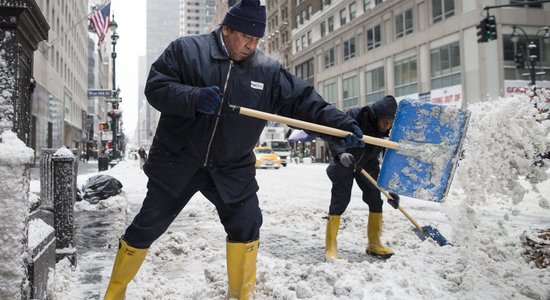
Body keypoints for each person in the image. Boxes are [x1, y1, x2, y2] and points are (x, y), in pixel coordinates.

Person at [103, 1, 365, 299]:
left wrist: (341, 126)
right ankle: (115, 292)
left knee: (247, 222)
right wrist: (194, 98)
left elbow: (305, 103)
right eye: (245, 38)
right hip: (179, 161)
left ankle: (241, 295)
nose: (251, 46)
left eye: (256, 40)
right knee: (147, 226)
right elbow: (157, 87)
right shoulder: (187, 51)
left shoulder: (267, 72)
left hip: (231, 165)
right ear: (226, 29)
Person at [324, 95, 400, 261]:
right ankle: (330, 246)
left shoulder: (389, 132)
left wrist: (392, 189)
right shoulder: (356, 115)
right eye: (385, 121)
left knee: (375, 200)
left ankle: (374, 243)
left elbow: (390, 160)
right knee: (340, 201)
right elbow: (335, 134)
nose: (388, 126)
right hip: (345, 161)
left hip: (368, 164)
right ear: (375, 117)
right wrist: (341, 153)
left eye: (390, 122)